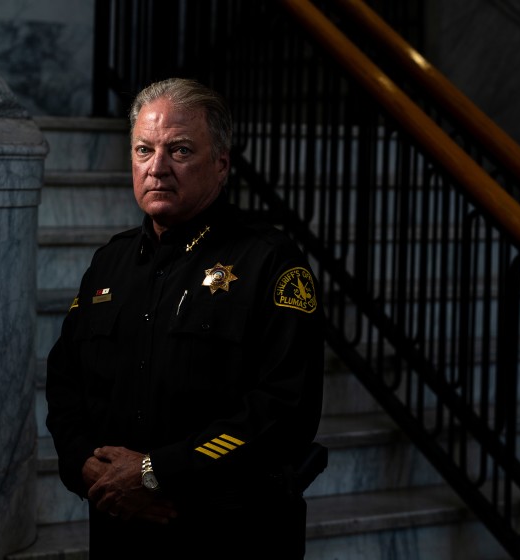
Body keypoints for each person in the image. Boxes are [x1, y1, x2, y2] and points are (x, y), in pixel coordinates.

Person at [45, 77, 325, 558]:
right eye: (143, 150)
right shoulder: (107, 264)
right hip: (119, 528)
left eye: (179, 150)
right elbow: (64, 381)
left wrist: (156, 473)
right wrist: (87, 467)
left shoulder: (269, 262)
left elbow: (284, 411)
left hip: (227, 531)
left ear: (221, 164)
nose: (157, 168)